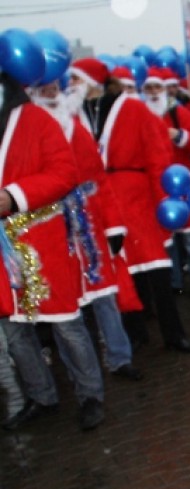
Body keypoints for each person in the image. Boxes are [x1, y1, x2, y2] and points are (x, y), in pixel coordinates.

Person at [0, 70, 107, 432]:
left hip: (41, 238)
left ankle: (90, 395)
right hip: (3, 251)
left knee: (66, 325)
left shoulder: (35, 119)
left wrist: (13, 196)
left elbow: (65, 173)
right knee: (15, 332)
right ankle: (41, 396)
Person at [72, 58, 190, 354]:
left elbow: (157, 156)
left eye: (75, 80)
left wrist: (162, 201)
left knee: (156, 269)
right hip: (101, 201)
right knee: (121, 270)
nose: (71, 86)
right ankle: (135, 332)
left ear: (91, 81)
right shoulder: (73, 116)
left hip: (138, 196)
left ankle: (174, 333)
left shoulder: (132, 107)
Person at [30, 78, 142, 382]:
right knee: (67, 309)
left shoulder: (76, 123)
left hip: (89, 222)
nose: (51, 92)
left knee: (105, 296)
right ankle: (81, 376)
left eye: (54, 85)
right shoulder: (31, 130)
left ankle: (120, 358)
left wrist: (113, 224)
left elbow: (99, 178)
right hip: (52, 227)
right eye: (44, 87)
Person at [143, 68, 190, 299]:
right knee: (168, 242)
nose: (153, 93)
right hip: (159, 189)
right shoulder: (141, 117)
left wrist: (180, 136)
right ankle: (176, 283)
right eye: (148, 88)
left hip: (184, 188)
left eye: (157, 87)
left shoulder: (178, 113)